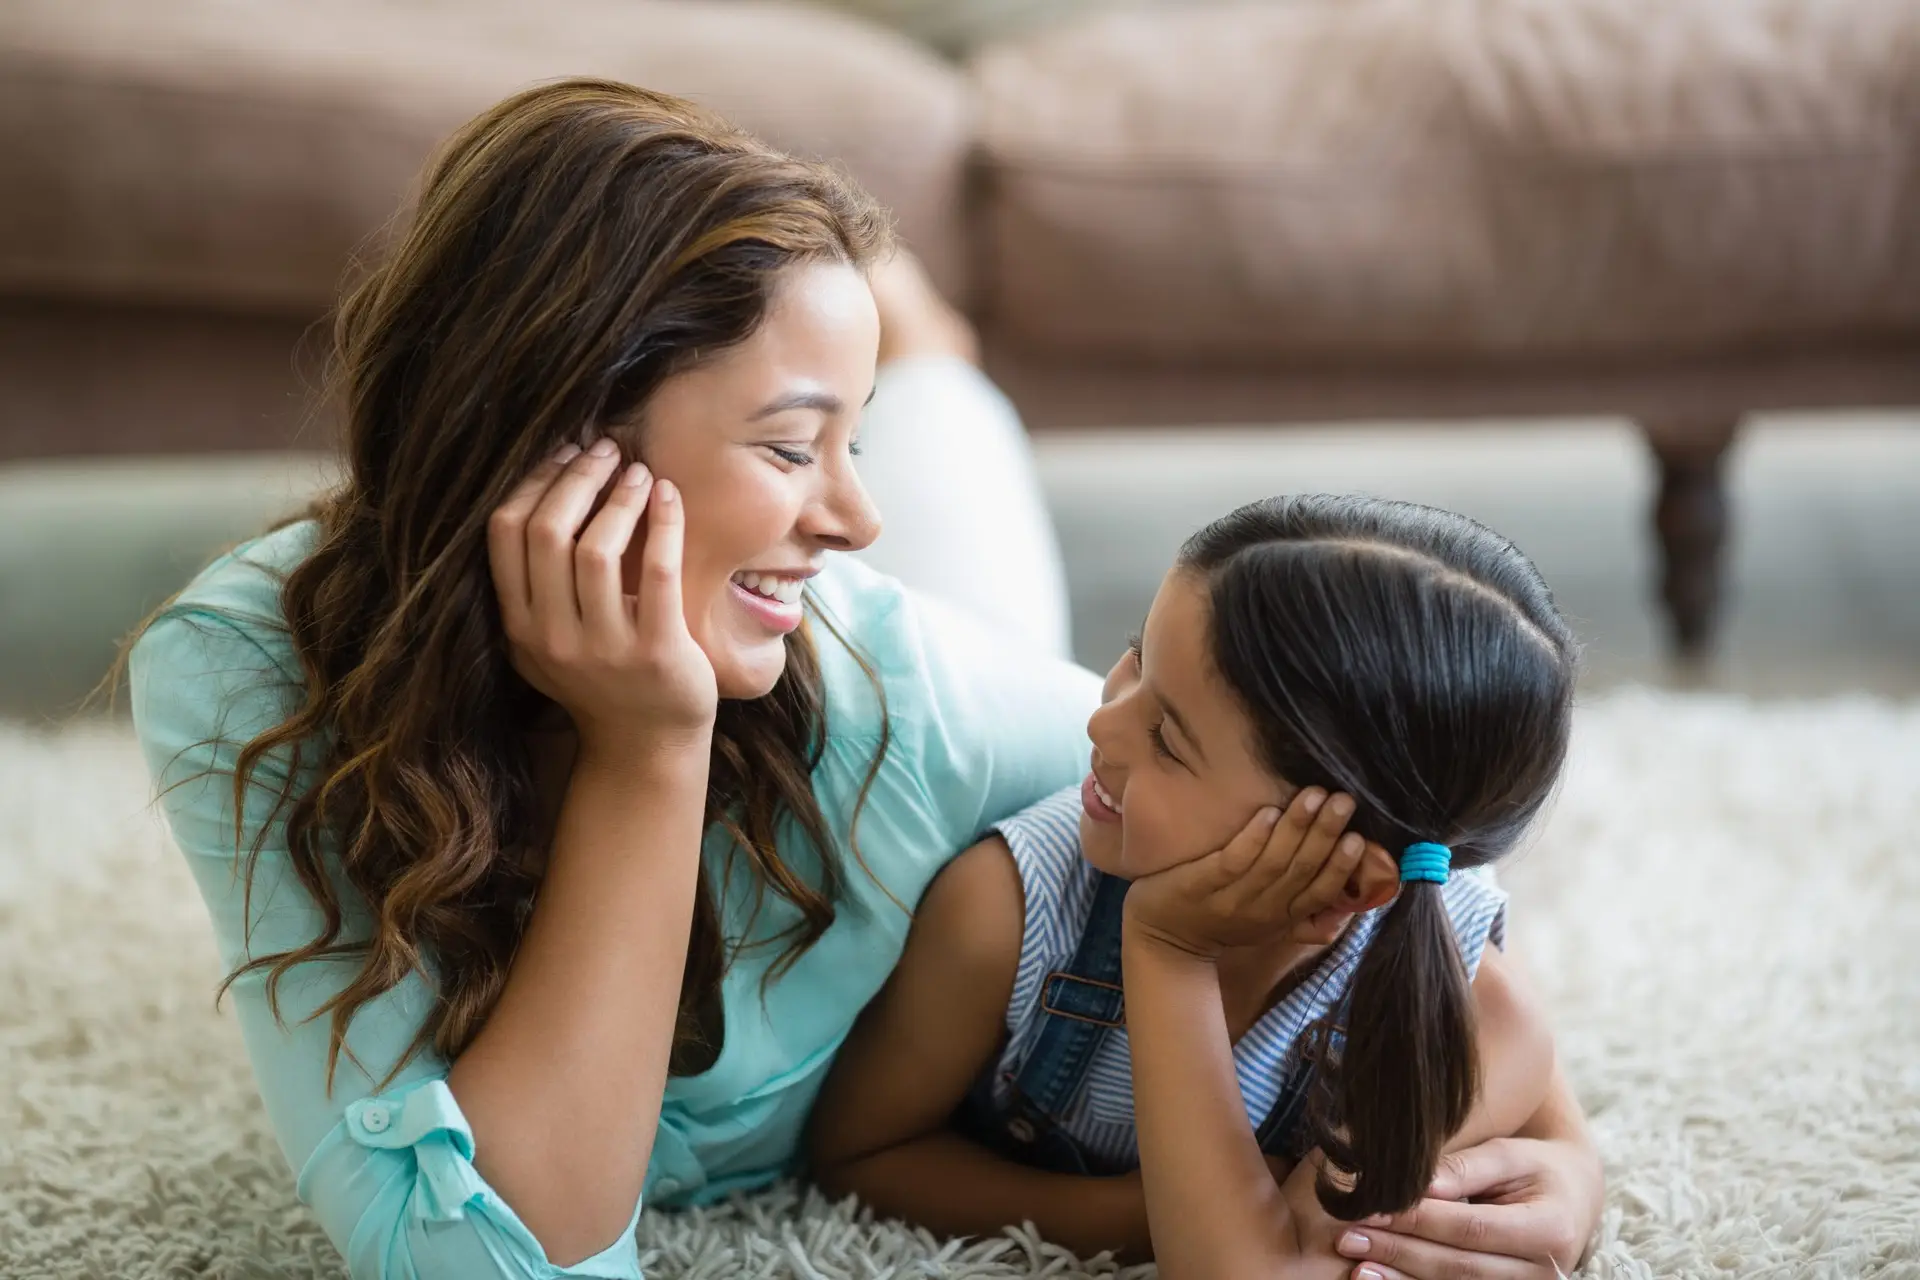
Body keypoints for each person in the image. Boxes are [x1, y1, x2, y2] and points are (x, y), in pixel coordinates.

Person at [127, 78, 1602, 1280]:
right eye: (788, 444)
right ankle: (901, 341)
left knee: (944, 455)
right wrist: (649, 752)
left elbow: (1359, 827)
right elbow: (489, 1262)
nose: (852, 509)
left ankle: (914, 352)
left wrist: (1567, 1149)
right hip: (777, 616)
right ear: (556, 438)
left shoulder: (918, 695)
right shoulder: (242, 674)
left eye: (846, 439)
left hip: (891, 628)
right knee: (921, 467)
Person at [810, 495, 1587, 1278]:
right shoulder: (1009, 910)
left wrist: (1167, 952)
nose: (1101, 725)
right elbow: (859, 1153)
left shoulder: (1468, 1015)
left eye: (1167, 741)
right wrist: (1134, 1212)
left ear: (1351, 879)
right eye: (1135, 657)